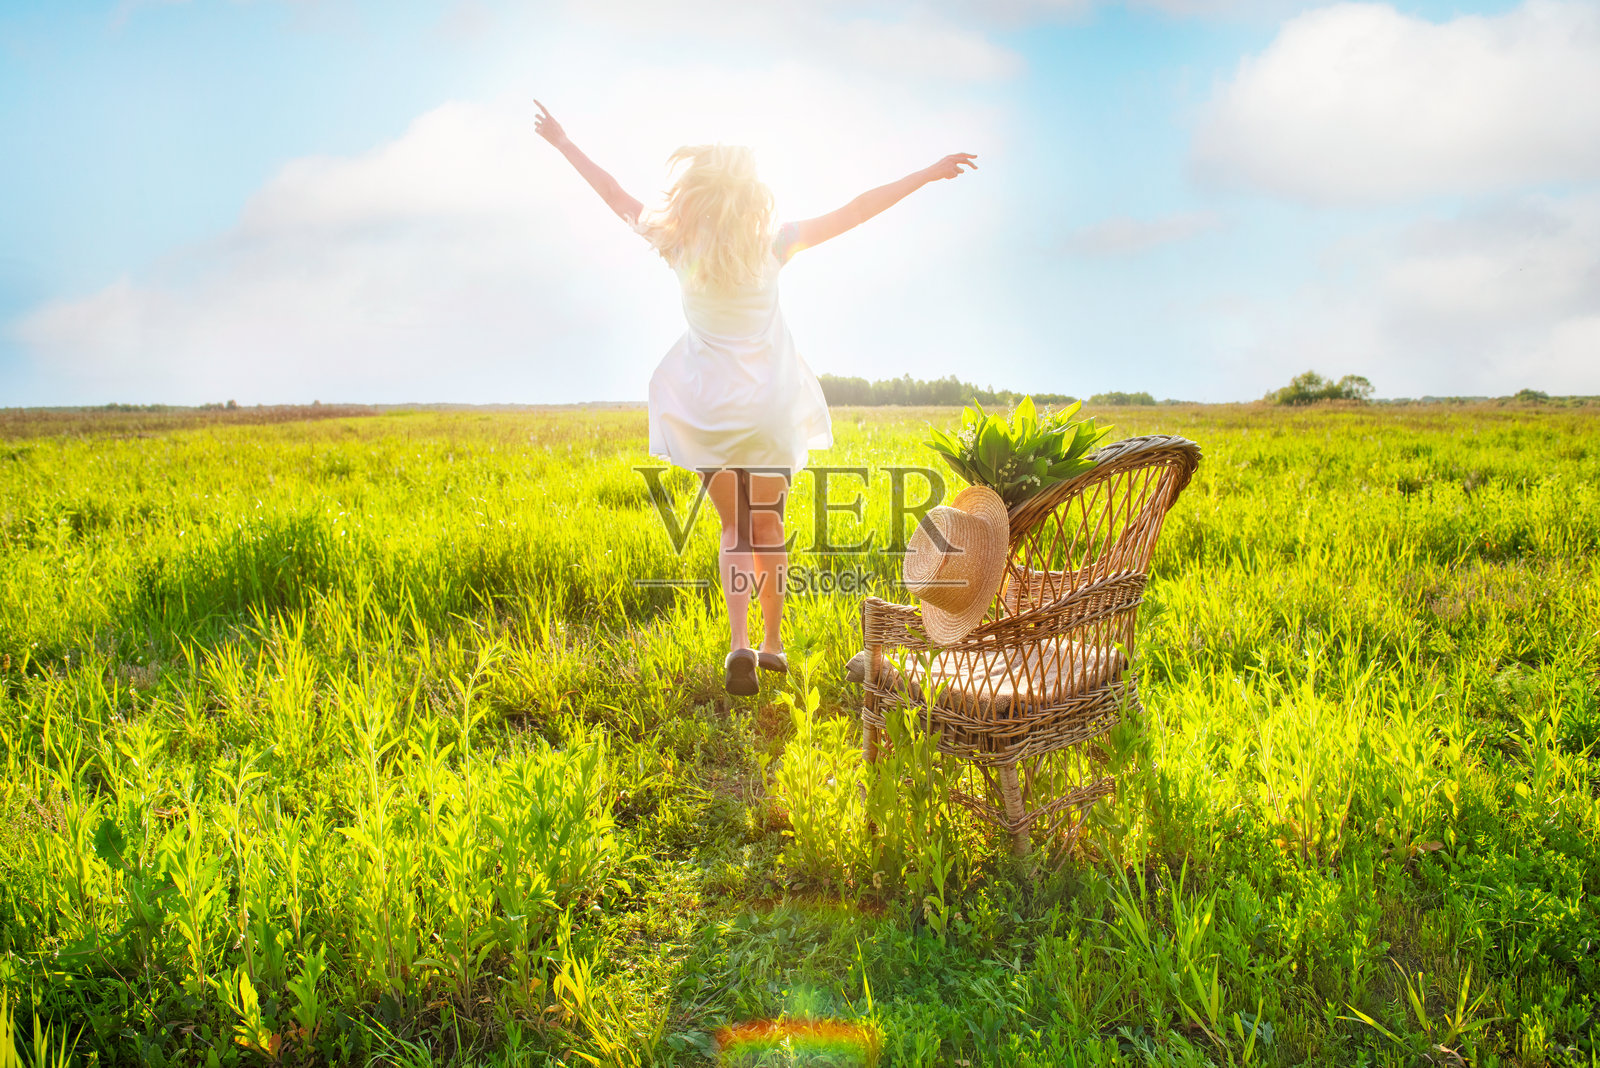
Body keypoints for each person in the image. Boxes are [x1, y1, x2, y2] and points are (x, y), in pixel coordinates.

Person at [535, 100, 976, 695]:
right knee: (769, 527)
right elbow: (856, 210)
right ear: (752, 197)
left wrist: (563, 143)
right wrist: (926, 173)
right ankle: (773, 646)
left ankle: (738, 643)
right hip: (768, 409)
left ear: (696, 196)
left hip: (709, 412)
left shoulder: (677, 244)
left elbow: (614, 193)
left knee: (732, 531)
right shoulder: (772, 245)